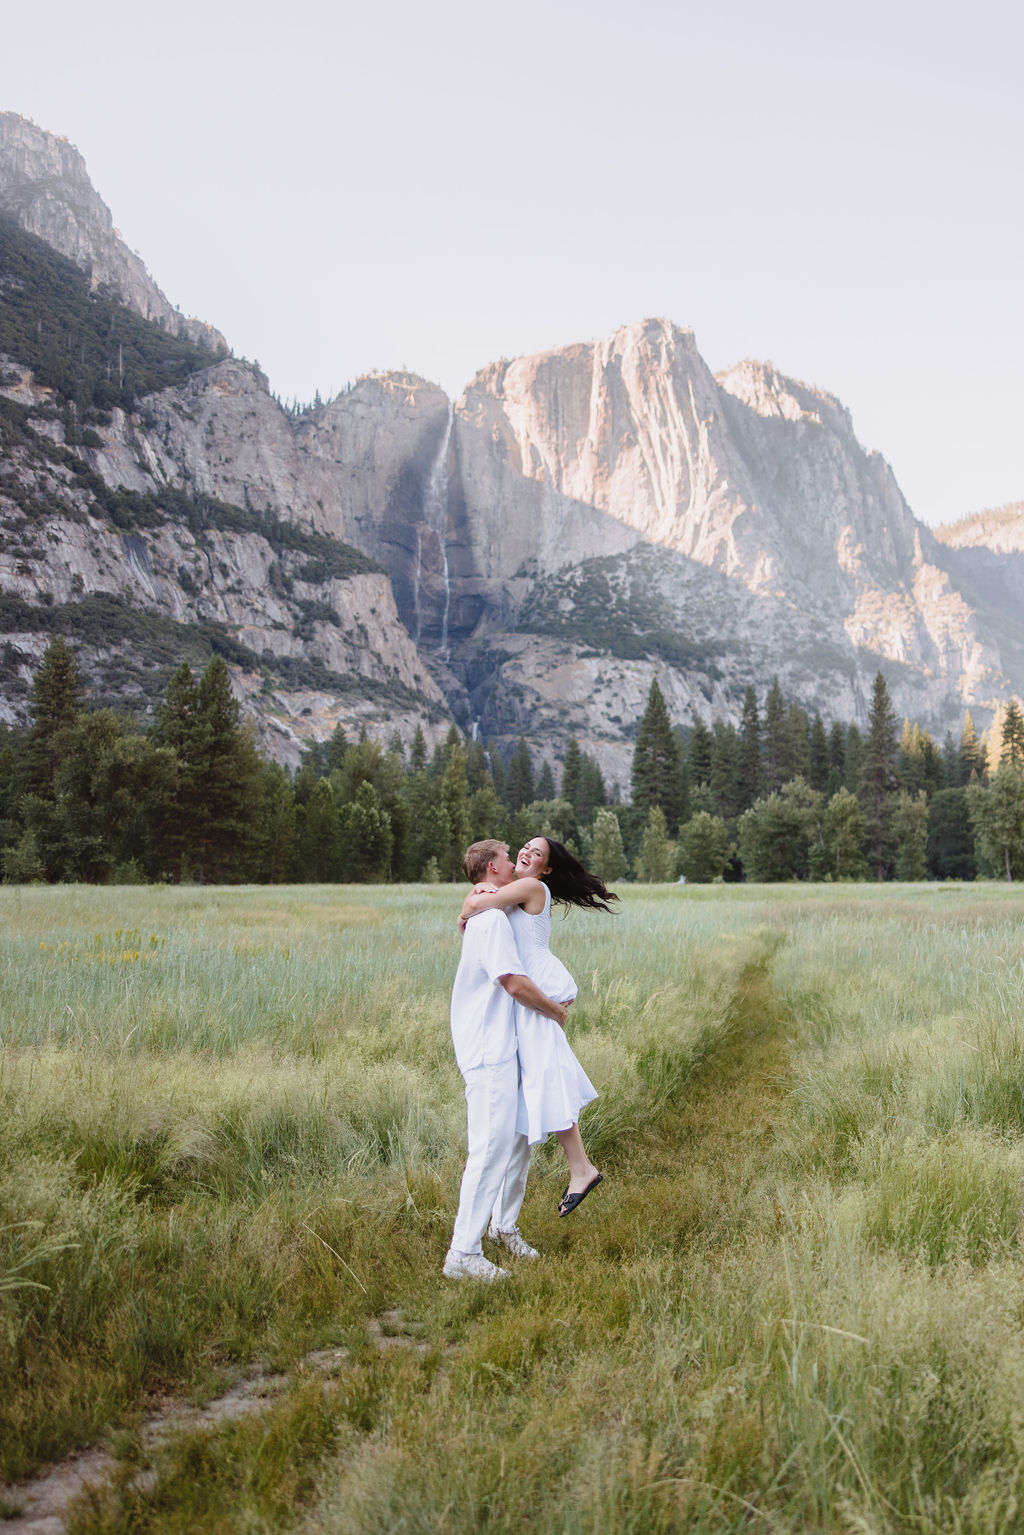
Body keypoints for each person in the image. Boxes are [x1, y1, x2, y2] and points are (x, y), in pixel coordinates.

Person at [459, 835, 618, 1217]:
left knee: (545, 1075)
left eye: (537, 854)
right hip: (529, 992)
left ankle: (581, 1169)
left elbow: (473, 907)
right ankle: (579, 1170)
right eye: (524, 849)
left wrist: (471, 900)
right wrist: (477, 900)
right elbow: (478, 912)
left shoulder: (532, 886)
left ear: (546, 868)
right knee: (543, 1074)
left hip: (536, 990)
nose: (526, 854)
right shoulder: (518, 889)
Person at [443, 839, 571, 1282]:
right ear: (495, 866)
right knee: (490, 1148)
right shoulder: (492, 919)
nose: (514, 859)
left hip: (507, 1046)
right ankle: (463, 1253)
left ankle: (504, 1227)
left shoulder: (491, 910)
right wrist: (556, 1011)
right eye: (507, 854)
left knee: (518, 1142)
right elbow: (514, 984)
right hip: (489, 1049)